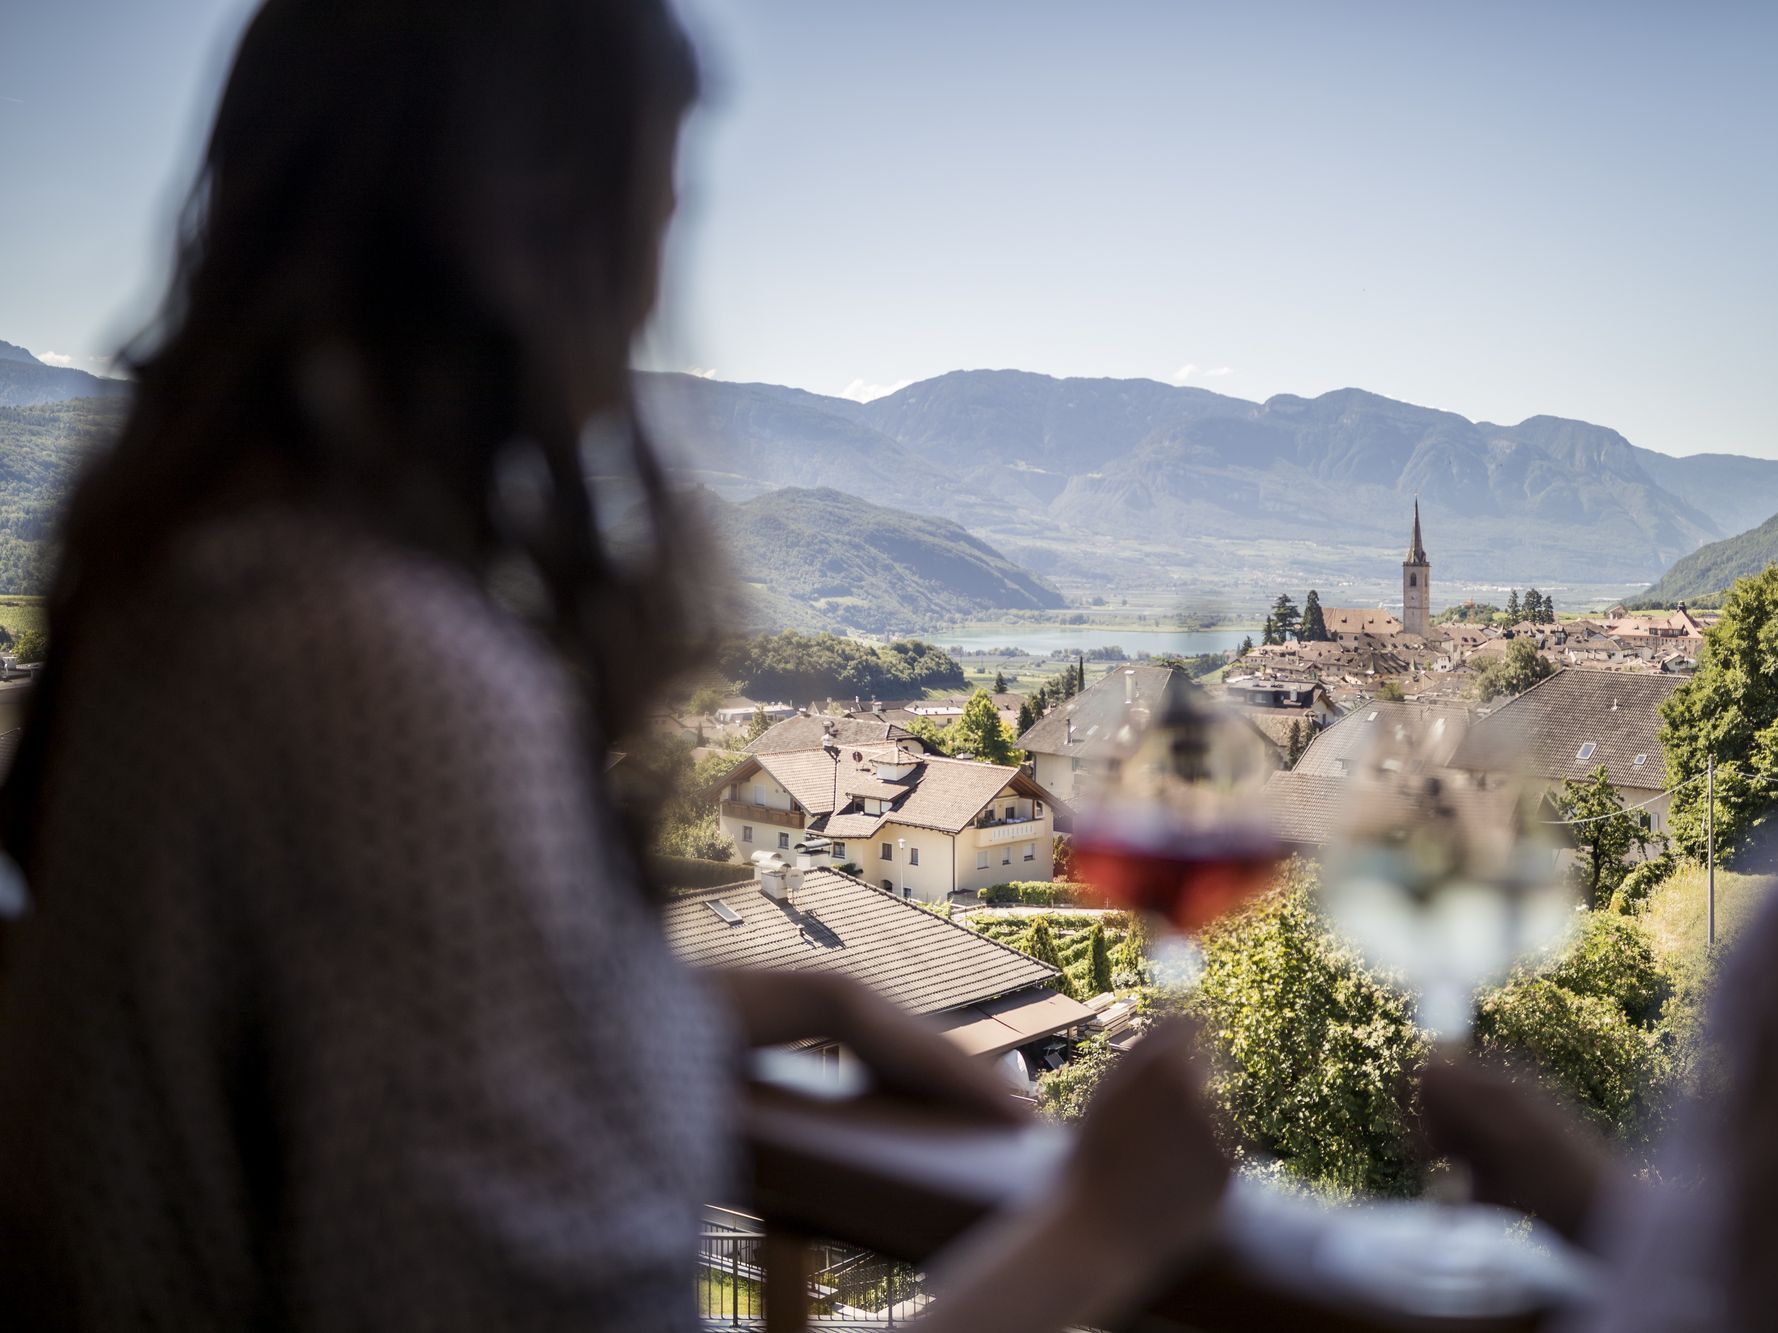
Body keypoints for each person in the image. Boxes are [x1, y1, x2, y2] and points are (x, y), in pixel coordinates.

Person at [0, 3, 1226, 1328]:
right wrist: (1099, 1230)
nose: (653, 283)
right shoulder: (396, 679)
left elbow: (345, 1046)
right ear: (534, 219)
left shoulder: (180, 598)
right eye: (661, 200)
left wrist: (782, 993)